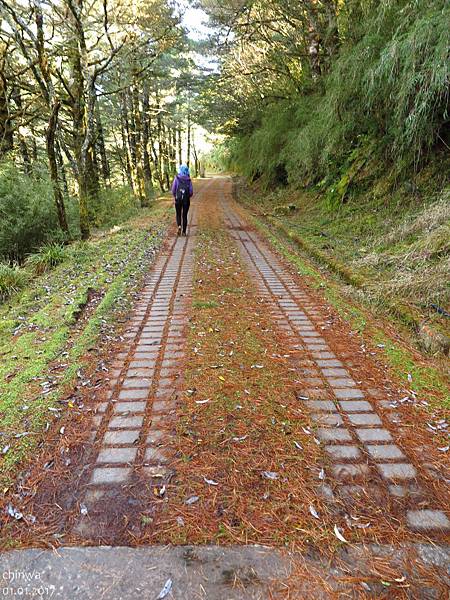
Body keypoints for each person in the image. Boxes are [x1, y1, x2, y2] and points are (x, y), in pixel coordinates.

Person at [171, 164, 193, 236]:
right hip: (186, 200)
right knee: (184, 215)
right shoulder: (188, 179)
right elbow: (191, 192)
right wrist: (187, 196)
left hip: (178, 199)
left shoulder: (177, 178)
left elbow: (173, 190)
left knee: (178, 214)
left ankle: (179, 226)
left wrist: (176, 196)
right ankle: (184, 232)